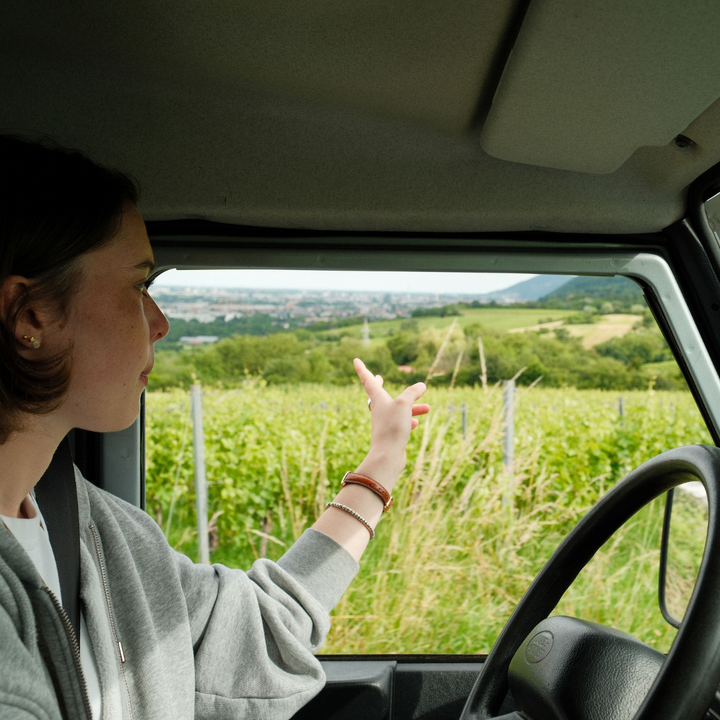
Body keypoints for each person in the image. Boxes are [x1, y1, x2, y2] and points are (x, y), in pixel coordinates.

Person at [0, 135, 430, 720]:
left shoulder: (93, 525)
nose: (161, 323)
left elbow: (253, 637)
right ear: (33, 317)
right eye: (138, 286)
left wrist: (381, 464)